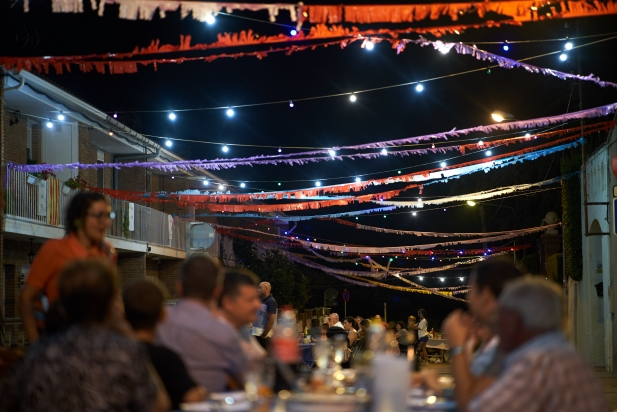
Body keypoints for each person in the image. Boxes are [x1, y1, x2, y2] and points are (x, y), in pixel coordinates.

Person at [1, 260, 169, 412]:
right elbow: (158, 405)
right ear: (110, 305)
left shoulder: (37, 353)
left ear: (63, 306)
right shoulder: (125, 352)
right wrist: (131, 338)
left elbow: (6, 401)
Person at [466, 277, 610, 412]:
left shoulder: (538, 361)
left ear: (514, 321)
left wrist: (459, 349)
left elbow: (476, 408)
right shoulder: (558, 350)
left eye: (500, 317)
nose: (496, 324)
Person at [19, 192, 117, 342]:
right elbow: (26, 298)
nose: (106, 222)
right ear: (79, 218)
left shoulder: (107, 253)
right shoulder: (55, 249)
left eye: (108, 216)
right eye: (99, 215)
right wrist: (35, 344)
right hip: (60, 339)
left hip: (99, 341)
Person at [156, 254, 247, 393]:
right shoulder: (224, 333)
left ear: (179, 287)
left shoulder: (157, 321)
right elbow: (246, 379)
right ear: (217, 291)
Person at [442, 258, 522, 407]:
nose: (469, 297)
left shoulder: (513, 346)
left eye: (471, 290)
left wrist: (457, 345)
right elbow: (472, 388)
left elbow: (468, 403)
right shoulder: (509, 338)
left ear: (486, 296)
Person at [123, 279, 206, 410]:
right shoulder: (166, 358)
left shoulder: (114, 355)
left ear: (124, 315)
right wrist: (202, 390)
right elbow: (193, 397)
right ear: (162, 315)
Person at [218, 268, 266, 361]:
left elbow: (261, 359)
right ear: (228, 303)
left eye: (256, 298)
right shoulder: (217, 336)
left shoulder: (241, 327)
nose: (258, 305)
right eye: (250, 299)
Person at [253, 281, 277, 349]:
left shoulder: (271, 301)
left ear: (266, 289)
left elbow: (271, 319)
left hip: (263, 334)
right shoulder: (260, 300)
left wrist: (264, 334)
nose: (258, 289)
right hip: (256, 333)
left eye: (260, 288)